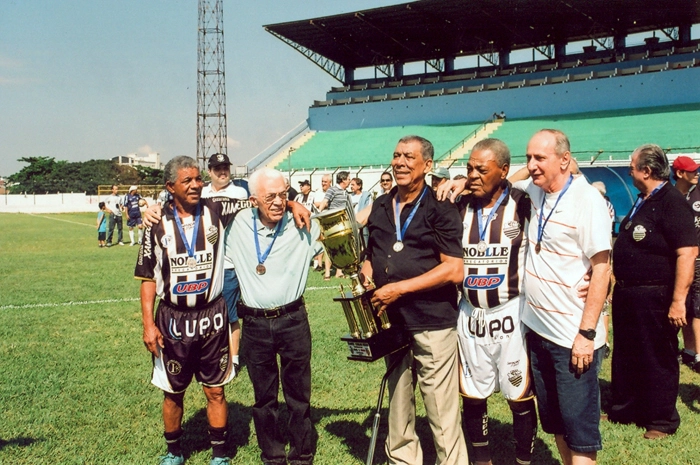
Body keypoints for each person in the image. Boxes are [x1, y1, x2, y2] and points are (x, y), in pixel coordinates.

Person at [361, 135, 468, 465]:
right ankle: (402, 460)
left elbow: (454, 270)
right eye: (396, 156)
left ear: (428, 165)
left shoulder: (440, 207)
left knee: (440, 406)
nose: (400, 162)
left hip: (432, 319)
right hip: (391, 320)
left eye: (409, 157)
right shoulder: (380, 205)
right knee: (398, 402)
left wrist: (400, 288)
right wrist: (366, 276)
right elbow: (372, 254)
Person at [136, 156, 244, 465]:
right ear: (170, 187)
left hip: (212, 317)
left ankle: (220, 455)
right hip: (173, 321)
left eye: (198, 178)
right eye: (188, 180)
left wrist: (293, 205)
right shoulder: (155, 224)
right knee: (173, 392)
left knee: (216, 391)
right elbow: (146, 279)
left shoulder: (217, 210)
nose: (197, 184)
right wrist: (148, 325)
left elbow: (259, 203)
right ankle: (173, 452)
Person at [516, 129, 611, 465]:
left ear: (565, 160)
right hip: (538, 330)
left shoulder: (587, 201)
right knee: (555, 422)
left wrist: (586, 334)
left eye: (539, 158)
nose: (531, 165)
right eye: (528, 157)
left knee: (579, 430)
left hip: (572, 338)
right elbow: (507, 182)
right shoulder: (536, 190)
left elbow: (601, 268)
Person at [229, 167, 322, 465]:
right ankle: (272, 455)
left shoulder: (301, 223)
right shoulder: (236, 224)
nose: (279, 202)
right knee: (264, 397)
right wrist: (154, 208)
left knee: (298, 394)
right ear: (253, 199)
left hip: (293, 319)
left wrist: (298, 204)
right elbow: (197, 211)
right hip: (255, 323)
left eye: (284, 195)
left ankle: (302, 454)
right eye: (271, 197)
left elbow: (348, 220)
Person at [455, 139, 537, 465]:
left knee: (519, 397)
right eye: (469, 168)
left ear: (503, 171)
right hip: (471, 315)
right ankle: (482, 460)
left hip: (510, 314)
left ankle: (523, 460)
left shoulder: (524, 202)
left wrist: (514, 179)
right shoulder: (458, 206)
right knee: (473, 396)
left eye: (481, 169)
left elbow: (570, 167)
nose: (472, 175)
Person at [610, 145, 697, 439]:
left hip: (655, 296)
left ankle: (661, 419)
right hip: (628, 294)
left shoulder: (672, 202)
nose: (629, 171)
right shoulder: (644, 199)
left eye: (632, 167)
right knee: (627, 354)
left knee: (657, 356)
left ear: (646, 171)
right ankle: (625, 408)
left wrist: (678, 302)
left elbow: (687, 253)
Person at [202, 153, 249, 379]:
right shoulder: (201, 193)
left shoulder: (238, 192)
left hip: (229, 264)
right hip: (206, 265)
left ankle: (234, 359)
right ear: (209, 171)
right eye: (218, 168)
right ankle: (210, 355)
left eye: (226, 168)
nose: (223, 172)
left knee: (230, 315)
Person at [671, 155, 700, 373]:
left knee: (697, 307)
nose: (697, 174)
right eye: (692, 171)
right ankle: (689, 350)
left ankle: (698, 353)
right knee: (685, 306)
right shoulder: (670, 197)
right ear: (680, 173)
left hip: (697, 260)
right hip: (676, 261)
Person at [318, 170, 351, 280]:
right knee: (331, 248)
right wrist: (319, 214)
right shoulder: (332, 190)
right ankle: (327, 273)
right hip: (331, 224)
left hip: (342, 223)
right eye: (348, 179)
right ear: (343, 180)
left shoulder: (346, 193)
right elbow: (325, 202)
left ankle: (339, 272)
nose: (350, 181)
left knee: (341, 248)